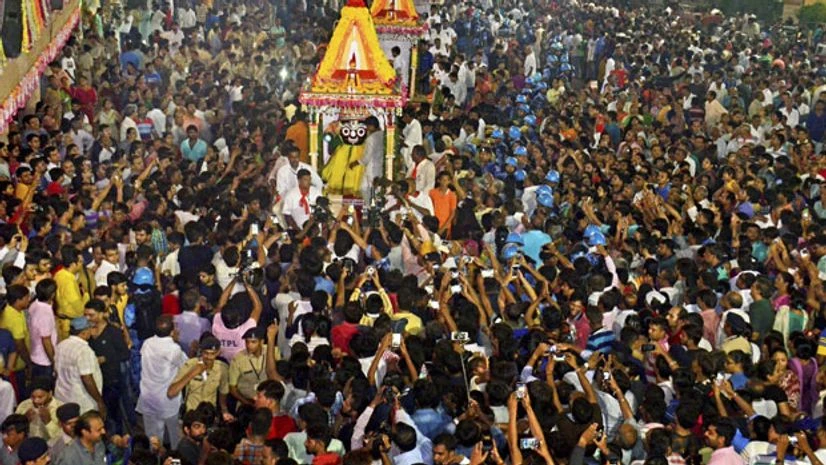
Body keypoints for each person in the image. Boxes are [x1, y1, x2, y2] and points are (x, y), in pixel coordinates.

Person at [136, 315, 188, 450]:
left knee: (152, 437)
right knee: (174, 435)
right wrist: (176, 342)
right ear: (171, 331)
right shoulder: (173, 349)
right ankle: (175, 458)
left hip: (148, 396)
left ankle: (155, 459)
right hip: (167, 400)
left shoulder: (147, 343)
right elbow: (186, 365)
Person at [83, 299, 129, 435]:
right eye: (85, 315)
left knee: (113, 416)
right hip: (93, 381)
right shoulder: (85, 333)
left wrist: (105, 359)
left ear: (102, 314)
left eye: (91, 315)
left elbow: (125, 354)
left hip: (111, 380)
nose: (87, 318)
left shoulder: (113, 332)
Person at [167, 335, 231, 417]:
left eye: (212, 354)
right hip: (191, 414)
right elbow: (171, 393)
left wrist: (224, 411)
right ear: (201, 351)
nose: (209, 357)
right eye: (206, 353)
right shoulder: (190, 365)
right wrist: (192, 373)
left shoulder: (222, 368)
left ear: (218, 352)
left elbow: (223, 393)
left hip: (209, 415)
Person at [53, 317, 104, 417]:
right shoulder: (84, 350)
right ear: (84, 332)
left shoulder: (61, 345)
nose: (91, 331)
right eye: (90, 328)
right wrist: (99, 401)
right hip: (82, 402)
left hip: (62, 398)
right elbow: (87, 379)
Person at [0, 285, 31, 399]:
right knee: (18, 394)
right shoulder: (14, 318)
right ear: (18, 300)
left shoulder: (13, 310)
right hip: (16, 366)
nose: (29, 300)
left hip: (9, 365)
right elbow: (19, 344)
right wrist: (29, 363)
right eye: (27, 298)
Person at [229, 326, 270, 409]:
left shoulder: (271, 352)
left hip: (267, 402)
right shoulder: (238, 359)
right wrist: (248, 404)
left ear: (262, 342)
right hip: (245, 403)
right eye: (247, 342)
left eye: (253, 342)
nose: (249, 345)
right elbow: (232, 388)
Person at [27, 279, 58, 380]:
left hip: (35, 355)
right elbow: (46, 340)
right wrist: (54, 361)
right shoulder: (44, 312)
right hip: (44, 361)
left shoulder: (35, 304)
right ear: (52, 295)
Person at [15, 377, 61, 442]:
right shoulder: (24, 405)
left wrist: (48, 422)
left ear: (50, 394)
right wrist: (24, 420)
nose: (36, 401)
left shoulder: (60, 408)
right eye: (33, 397)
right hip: (27, 446)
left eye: (40, 397)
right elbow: (13, 431)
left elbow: (61, 438)